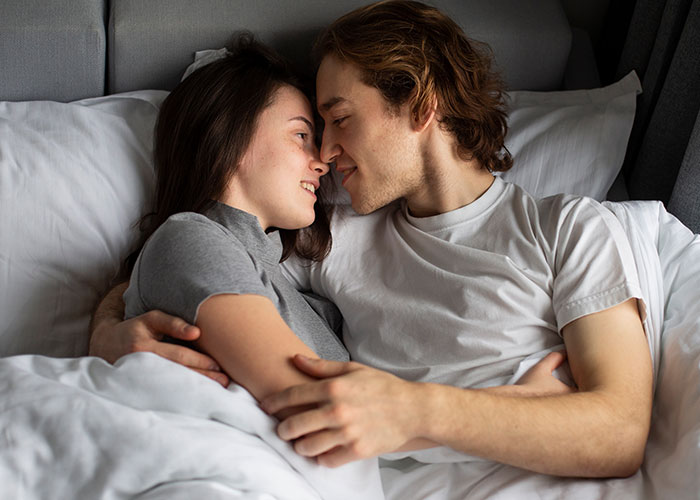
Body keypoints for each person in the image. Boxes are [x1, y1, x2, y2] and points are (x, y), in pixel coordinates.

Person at [90, 0, 653, 481]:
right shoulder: (329, 239)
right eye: (312, 131)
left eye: (339, 119)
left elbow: (621, 433)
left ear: (419, 102)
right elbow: (199, 254)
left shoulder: (569, 228)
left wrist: (419, 411)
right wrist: (108, 335)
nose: (326, 154)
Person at [116, 34, 353, 412]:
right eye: (301, 135)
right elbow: (315, 406)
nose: (322, 161)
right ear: (230, 136)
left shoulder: (290, 288)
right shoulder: (191, 238)